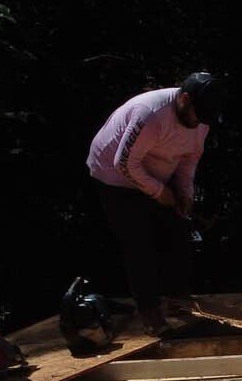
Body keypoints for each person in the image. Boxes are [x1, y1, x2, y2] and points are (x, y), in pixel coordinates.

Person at [86, 72, 225, 333]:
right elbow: (124, 163)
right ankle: (149, 310)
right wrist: (159, 192)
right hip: (115, 177)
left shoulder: (202, 119)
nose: (199, 123)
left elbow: (189, 159)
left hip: (156, 169)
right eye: (198, 115)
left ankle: (177, 299)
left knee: (178, 232)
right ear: (184, 99)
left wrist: (185, 193)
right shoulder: (150, 115)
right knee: (139, 243)